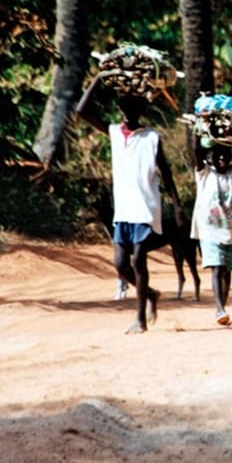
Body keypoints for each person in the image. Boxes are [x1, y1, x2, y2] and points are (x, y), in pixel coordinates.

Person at [76, 76, 184, 334]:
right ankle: (150, 294)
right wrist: (98, 79)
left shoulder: (151, 138)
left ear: (140, 111)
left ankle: (140, 319)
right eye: (122, 109)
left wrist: (177, 205)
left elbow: (166, 173)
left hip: (146, 208)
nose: (125, 114)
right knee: (120, 264)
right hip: (123, 209)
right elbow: (81, 111)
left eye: (130, 109)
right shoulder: (114, 132)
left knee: (138, 261)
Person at [190, 125, 232, 327]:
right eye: (217, 156)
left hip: (231, 231)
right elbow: (195, 151)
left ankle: (222, 306)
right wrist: (197, 130)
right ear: (209, 157)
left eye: (225, 155)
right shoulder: (204, 173)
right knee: (217, 268)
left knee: (227, 270)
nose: (222, 160)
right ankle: (219, 308)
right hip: (209, 231)